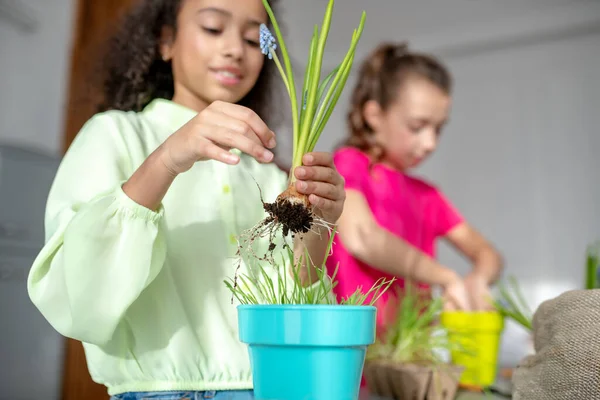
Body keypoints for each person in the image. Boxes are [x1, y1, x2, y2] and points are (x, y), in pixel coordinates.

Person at [26, 0, 346, 399]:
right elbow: (77, 297)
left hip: (270, 387)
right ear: (165, 41)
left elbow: (294, 301)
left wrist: (318, 226)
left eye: (251, 38)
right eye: (213, 28)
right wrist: (167, 159)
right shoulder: (116, 136)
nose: (235, 48)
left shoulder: (266, 174)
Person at [327, 42, 504, 331]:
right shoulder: (348, 166)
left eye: (438, 128)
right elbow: (362, 238)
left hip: (415, 355)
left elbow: (487, 254)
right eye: (417, 126)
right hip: (357, 351)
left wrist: (478, 279)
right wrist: (446, 277)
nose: (430, 143)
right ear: (374, 115)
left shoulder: (428, 195)